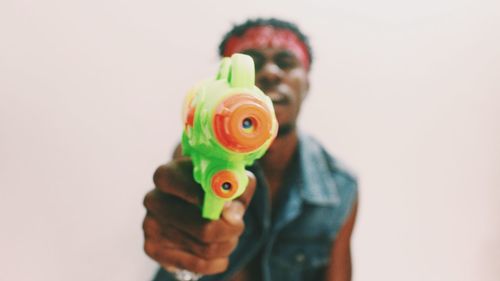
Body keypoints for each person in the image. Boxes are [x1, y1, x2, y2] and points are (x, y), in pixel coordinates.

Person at [143, 18, 358, 281]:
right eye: (251, 62)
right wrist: (179, 241)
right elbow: (181, 194)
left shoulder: (341, 186)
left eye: (286, 62)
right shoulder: (199, 151)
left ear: (307, 84)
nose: (270, 73)